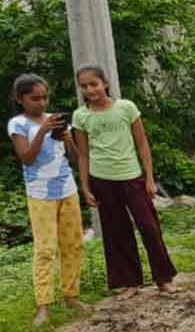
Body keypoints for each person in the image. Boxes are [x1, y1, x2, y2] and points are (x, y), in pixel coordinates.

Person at [71, 65, 177, 298]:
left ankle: (164, 278)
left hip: (132, 176)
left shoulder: (126, 108)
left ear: (105, 83)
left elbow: (142, 144)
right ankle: (130, 282)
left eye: (94, 84)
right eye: (84, 86)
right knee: (117, 232)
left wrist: (149, 179)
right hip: (102, 180)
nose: (90, 90)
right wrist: (86, 186)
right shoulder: (81, 116)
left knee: (149, 228)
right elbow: (83, 154)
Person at [8, 74, 86, 326]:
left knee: (73, 244)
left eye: (44, 97)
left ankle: (71, 296)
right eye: (34, 98)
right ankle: (43, 305)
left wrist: (67, 138)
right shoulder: (18, 124)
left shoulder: (57, 121)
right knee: (45, 249)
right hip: (40, 194)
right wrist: (42, 131)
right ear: (20, 99)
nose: (41, 103)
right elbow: (27, 158)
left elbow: (75, 158)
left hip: (67, 189)